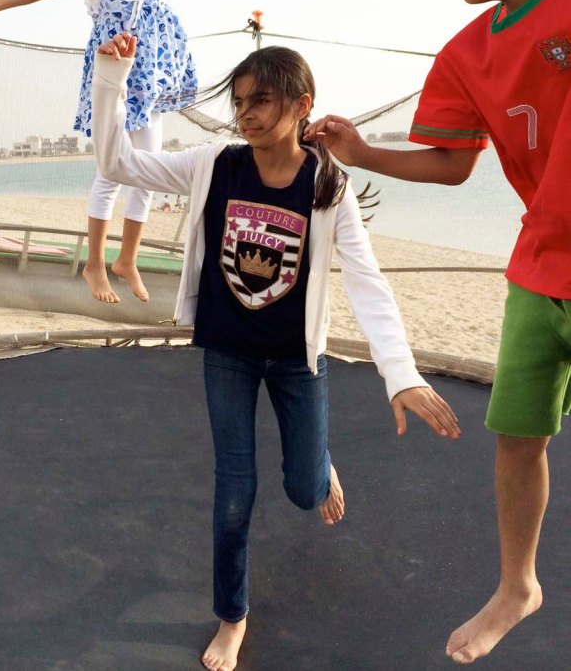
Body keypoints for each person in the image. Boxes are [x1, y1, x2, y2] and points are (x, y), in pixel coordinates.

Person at [92, 34, 461, 671]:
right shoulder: (215, 164)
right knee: (234, 493)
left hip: (296, 360)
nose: (247, 114)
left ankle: (319, 464)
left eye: (261, 101)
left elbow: (367, 281)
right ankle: (232, 617)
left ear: (301, 105)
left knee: (301, 488)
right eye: (240, 103)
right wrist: (111, 78)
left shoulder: (328, 187)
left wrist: (399, 373)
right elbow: (117, 163)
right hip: (228, 352)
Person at [305, 0, 571, 665]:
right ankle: (515, 585)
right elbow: (451, 163)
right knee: (518, 437)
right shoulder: (462, 53)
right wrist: (360, 149)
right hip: (540, 267)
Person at [0, 0, 288, 305]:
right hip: (114, 81)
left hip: (151, 85)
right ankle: (94, 262)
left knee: (148, 171)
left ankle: (127, 260)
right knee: (110, 173)